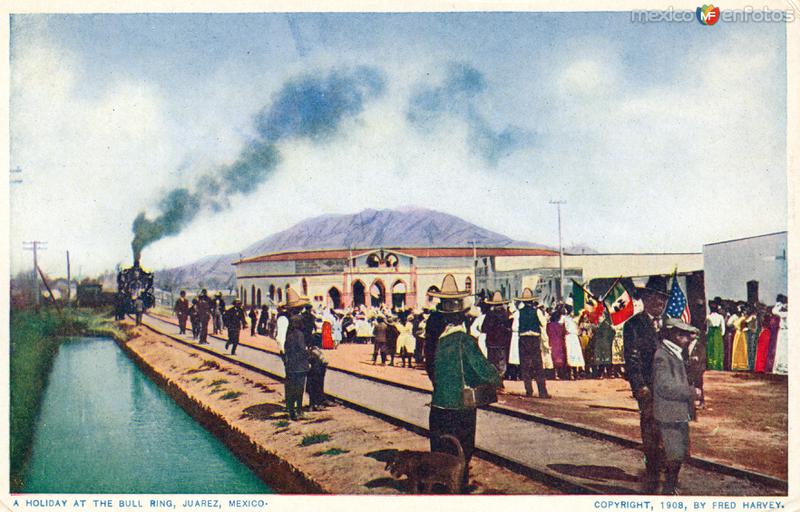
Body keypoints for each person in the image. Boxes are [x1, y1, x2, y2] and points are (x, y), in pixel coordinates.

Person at [427, 274, 501, 492]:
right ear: (462, 318)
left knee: (440, 448)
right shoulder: (464, 341)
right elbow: (481, 368)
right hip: (460, 406)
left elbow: (430, 368)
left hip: (438, 405)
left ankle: (439, 486)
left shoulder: (436, 342)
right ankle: (459, 486)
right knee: (461, 451)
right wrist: (496, 379)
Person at [623, 277, 668, 491]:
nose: (661, 303)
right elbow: (632, 359)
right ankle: (652, 470)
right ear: (647, 299)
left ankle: (666, 469)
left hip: (670, 388)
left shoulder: (671, 325)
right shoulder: (634, 324)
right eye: (657, 298)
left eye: (664, 299)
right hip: (648, 387)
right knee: (651, 428)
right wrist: (639, 385)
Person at [653, 318, 702, 495]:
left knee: (679, 454)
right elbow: (664, 387)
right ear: (673, 334)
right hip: (669, 414)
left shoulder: (676, 353)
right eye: (683, 335)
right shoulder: (662, 355)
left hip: (678, 412)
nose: (688, 338)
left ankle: (670, 488)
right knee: (674, 455)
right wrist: (691, 392)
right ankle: (668, 491)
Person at [514, 289, 549, 398]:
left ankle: (529, 390)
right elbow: (543, 323)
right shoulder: (537, 311)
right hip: (534, 339)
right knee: (538, 366)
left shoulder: (518, 313)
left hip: (523, 339)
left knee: (525, 366)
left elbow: (514, 327)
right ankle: (542, 392)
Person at [481, 292, 511, 388]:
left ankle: (493, 382)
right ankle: (500, 381)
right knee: (501, 361)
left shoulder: (490, 314)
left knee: (492, 362)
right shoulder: (505, 314)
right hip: (502, 342)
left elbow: (484, 328)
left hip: (491, 341)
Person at [284, 314, 310, 420]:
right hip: (300, 366)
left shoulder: (289, 335)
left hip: (291, 366)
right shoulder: (299, 335)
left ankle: (291, 411)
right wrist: (309, 354)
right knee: (299, 390)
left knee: (291, 389)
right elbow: (302, 350)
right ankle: (298, 411)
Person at [705, 301, 725, 371]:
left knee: (711, 348)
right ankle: (716, 365)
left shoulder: (709, 316)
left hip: (712, 332)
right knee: (716, 348)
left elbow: (707, 327)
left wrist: (707, 333)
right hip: (716, 333)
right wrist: (722, 334)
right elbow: (723, 328)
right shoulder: (719, 316)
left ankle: (712, 365)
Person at [771, 295, 788, 375]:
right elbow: (774, 311)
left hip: (787, 333)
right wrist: (779, 305)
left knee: (785, 351)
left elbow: (777, 312)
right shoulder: (783, 311)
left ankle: (785, 368)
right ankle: (780, 368)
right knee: (780, 350)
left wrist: (780, 306)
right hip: (782, 332)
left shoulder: (786, 313)